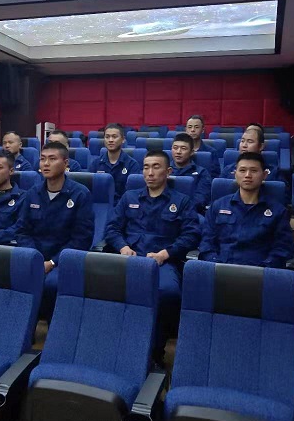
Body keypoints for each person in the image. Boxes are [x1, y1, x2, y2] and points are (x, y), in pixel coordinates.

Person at [105, 150, 201, 358]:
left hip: (163, 261)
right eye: (146, 167)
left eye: (156, 167)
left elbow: (191, 235)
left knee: (168, 292)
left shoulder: (182, 201)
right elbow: (112, 228)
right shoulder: (129, 197)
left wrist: (166, 253)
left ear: (168, 171)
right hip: (130, 258)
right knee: (106, 288)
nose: (150, 172)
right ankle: (115, 346)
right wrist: (122, 247)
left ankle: (156, 349)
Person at [15, 141, 95, 319]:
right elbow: (22, 231)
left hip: (63, 259)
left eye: (52, 159)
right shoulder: (33, 193)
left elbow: (81, 239)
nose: (46, 164)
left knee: (52, 283)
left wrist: (52, 262)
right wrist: (34, 258)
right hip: (34, 256)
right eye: (43, 159)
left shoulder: (80, 194)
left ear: (66, 163)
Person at [199, 152, 294, 268]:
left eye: (254, 171)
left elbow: (283, 247)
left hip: (260, 272)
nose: (248, 175)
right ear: (235, 174)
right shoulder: (218, 206)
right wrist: (215, 265)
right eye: (242, 170)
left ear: (264, 175)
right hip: (221, 269)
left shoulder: (278, 211)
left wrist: (264, 269)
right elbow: (207, 243)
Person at [88, 123, 140, 203]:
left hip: (123, 205)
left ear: (123, 139)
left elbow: (132, 195)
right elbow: (89, 190)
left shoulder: (132, 164)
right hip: (100, 205)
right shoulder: (95, 164)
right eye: (107, 137)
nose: (110, 140)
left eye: (114, 137)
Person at [169, 133, 212, 213]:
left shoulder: (201, 172)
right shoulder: (164, 170)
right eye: (175, 148)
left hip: (191, 212)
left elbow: (201, 198)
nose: (178, 152)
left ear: (191, 152)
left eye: (183, 148)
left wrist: (180, 208)